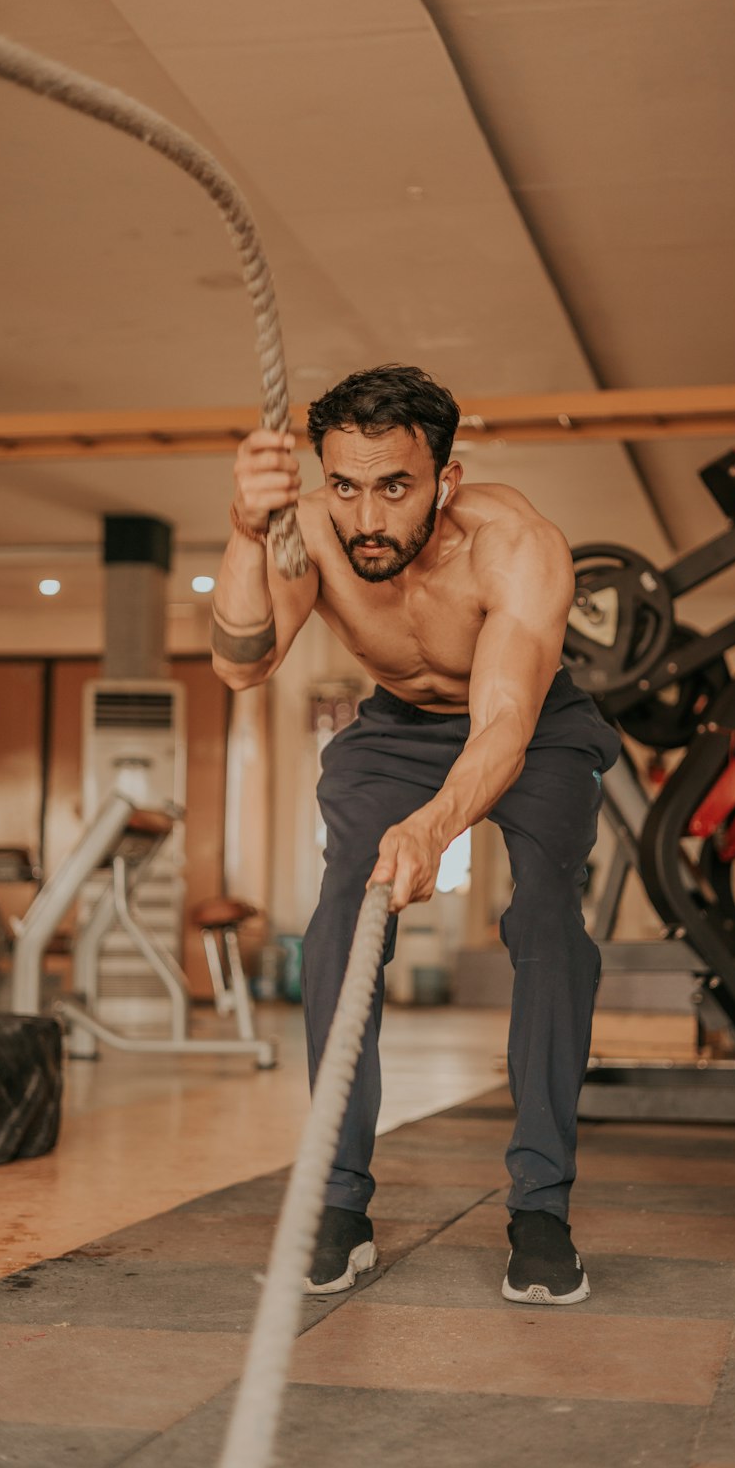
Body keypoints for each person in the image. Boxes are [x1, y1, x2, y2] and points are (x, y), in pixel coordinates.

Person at [210, 365, 620, 1306]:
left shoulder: (515, 544)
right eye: (345, 485)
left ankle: (541, 1209)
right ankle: (342, 1204)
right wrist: (241, 530)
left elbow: (504, 728)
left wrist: (438, 826)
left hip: (533, 725)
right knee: (341, 925)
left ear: (447, 476)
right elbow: (242, 664)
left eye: (394, 487)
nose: (367, 518)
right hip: (394, 729)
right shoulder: (312, 532)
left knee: (548, 922)